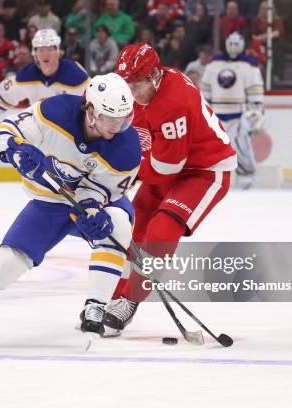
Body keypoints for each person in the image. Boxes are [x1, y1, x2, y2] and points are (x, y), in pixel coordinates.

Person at [0, 73, 141, 347]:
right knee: (7, 261)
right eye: (111, 118)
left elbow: (107, 189)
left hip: (92, 201)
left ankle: (95, 306)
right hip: (47, 201)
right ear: (90, 110)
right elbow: (3, 134)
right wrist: (16, 151)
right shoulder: (54, 112)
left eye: (124, 119)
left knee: (117, 224)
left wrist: (93, 205)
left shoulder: (127, 147)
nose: (119, 126)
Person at [102, 43, 236, 334]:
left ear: (153, 76)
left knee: (161, 232)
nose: (131, 92)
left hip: (204, 172)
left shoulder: (173, 103)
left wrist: (123, 176)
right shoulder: (142, 90)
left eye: (136, 84)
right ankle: (112, 296)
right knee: (131, 224)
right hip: (170, 166)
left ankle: (130, 300)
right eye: (126, 84)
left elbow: (166, 168)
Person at [0, 29, 89, 153]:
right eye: (41, 49)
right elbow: (3, 95)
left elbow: (92, 100)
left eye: (50, 49)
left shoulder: (74, 75)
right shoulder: (26, 76)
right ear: (35, 54)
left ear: (58, 52)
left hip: (69, 135)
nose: (45, 54)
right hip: (40, 133)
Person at [201, 32, 264, 189]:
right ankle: (210, 179)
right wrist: (202, 109)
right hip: (216, 115)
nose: (233, 48)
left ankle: (247, 177)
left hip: (238, 114)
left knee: (242, 146)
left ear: (242, 45)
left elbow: (255, 93)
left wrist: (255, 111)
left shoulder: (249, 65)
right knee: (211, 150)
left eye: (236, 44)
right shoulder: (214, 64)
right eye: (231, 44)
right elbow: (205, 91)